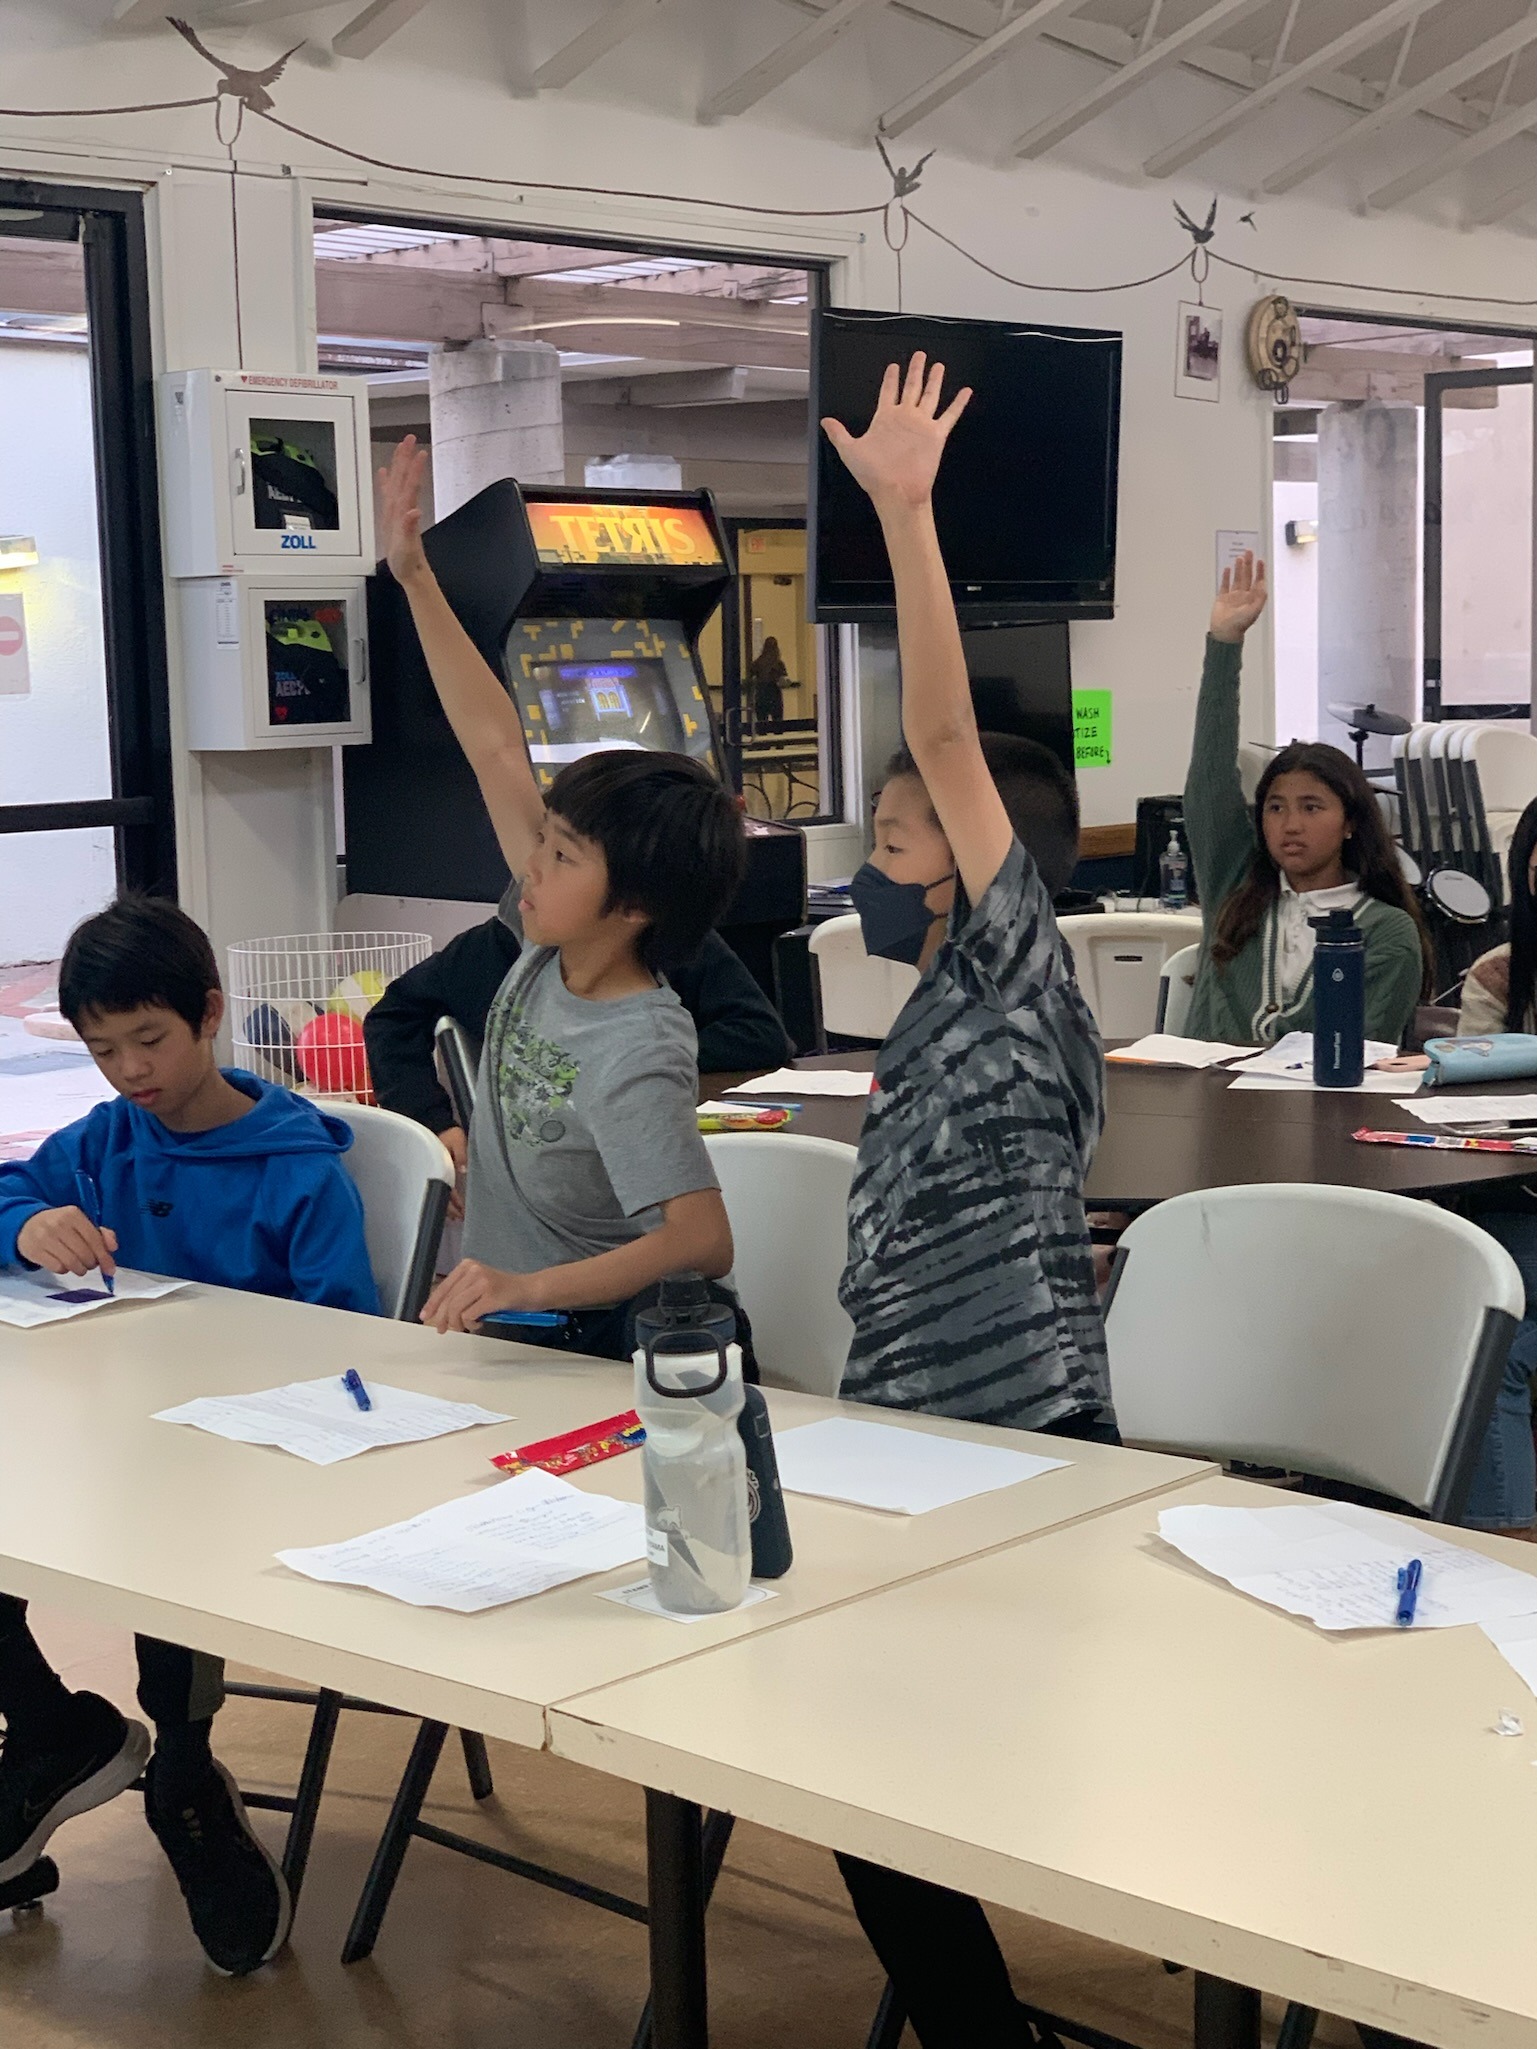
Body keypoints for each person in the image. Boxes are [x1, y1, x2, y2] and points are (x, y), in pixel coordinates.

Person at [821, 352, 1111, 2048]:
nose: (871, 857)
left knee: (950, 1754)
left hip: (1020, 1425)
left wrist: (908, 517)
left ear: (981, 859)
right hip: (902, 1425)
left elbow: (940, 725)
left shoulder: (1014, 967)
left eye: (895, 834)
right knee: (859, 1775)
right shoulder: (931, 1002)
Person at [0, 895, 377, 1976]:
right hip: (112, 1434)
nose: (130, 1071)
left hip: (238, 1464)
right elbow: (10, 1188)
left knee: (166, 1531)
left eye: (150, 1039)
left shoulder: (295, 1169)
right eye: (102, 1049)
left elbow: (356, 1351)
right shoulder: (105, 1141)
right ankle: (49, 1729)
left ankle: (184, 1769)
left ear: (209, 1014)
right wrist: (27, 1223)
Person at [376, 436, 745, 1360]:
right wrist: (415, 578)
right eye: (543, 842)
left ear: (634, 905)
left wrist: (527, 1286)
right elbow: (496, 744)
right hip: (516, 1335)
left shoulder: (637, 1045)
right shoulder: (551, 942)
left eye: (562, 854)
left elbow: (702, 1240)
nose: (530, 868)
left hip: (598, 1352)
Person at [363, 914, 790, 1217]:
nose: (533, 877)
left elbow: (760, 1034)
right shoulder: (486, 952)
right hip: (546, 1182)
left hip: (662, 1158)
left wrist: (634, 1060)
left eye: (564, 858)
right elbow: (393, 1017)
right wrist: (431, 1121)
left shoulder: (668, 939)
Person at [1183, 552, 1429, 1047]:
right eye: (1275, 807)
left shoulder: (1387, 931)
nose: (1290, 824)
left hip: (1318, 1097)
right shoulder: (1236, 887)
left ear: (1350, 822)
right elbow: (1209, 782)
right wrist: (1225, 645)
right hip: (1204, 1095)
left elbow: (1361, 1050)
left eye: (1311, 807)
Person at [1454, 797, 1537, 1530]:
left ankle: (1505, 1547)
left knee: (1490, 1341)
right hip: (1514, 1199)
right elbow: (1467, 1103)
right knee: (1461, 1309)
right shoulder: (1500, 973)